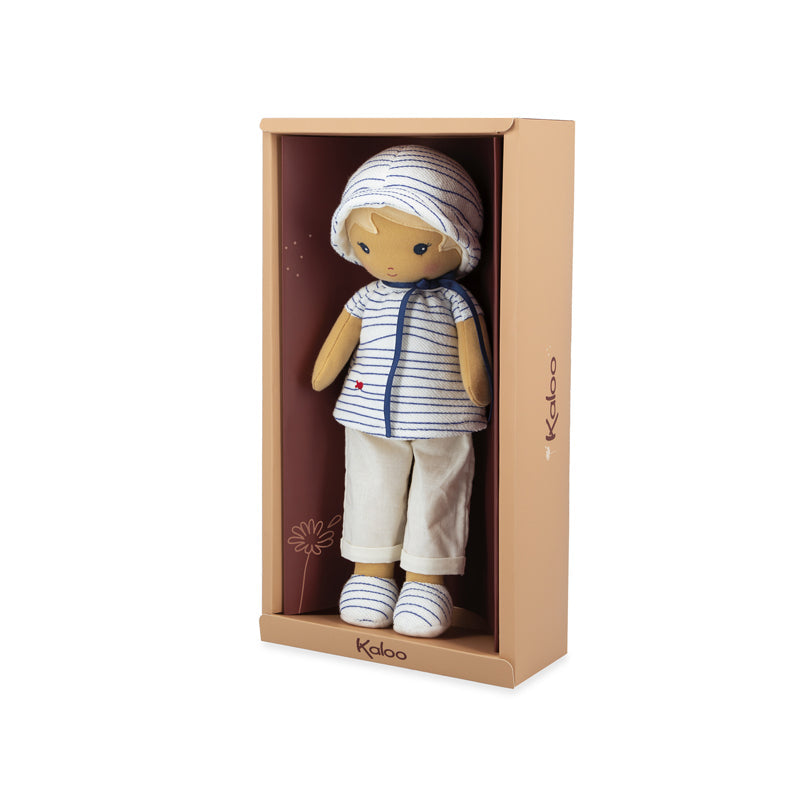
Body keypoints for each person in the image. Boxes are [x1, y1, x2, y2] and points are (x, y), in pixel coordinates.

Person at [311, 145, 491, 638]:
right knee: (370, 486)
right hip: (368, 412)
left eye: (417, 248)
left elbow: (473, 359)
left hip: (442, 414)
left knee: (440, 488)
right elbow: (333, 353)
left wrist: (479, 389)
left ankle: (426, 582)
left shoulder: (455, 300)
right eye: (367, 248)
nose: (386, 263)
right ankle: (370, 574)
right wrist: (322, 375)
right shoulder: (366, 297)